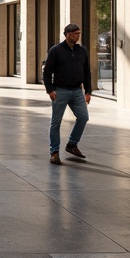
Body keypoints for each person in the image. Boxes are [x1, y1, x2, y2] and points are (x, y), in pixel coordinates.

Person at [43, 23, 92, 164]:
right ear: (68, 34)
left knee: (83, 117)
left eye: (79, 34)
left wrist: (88, 91)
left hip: (77, 90)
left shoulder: (82, 51)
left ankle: (72, 144)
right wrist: (50, 90)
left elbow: (87, 72)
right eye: (75, 34)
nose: (78, 36)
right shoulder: (56, 50)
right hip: (60, 91)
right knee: (56, 122)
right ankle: (54, 152)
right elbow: (47, 72)